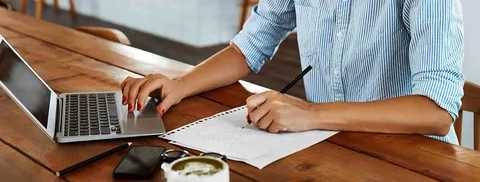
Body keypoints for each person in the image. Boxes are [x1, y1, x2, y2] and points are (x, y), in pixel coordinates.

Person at [121, 0, 464, 144]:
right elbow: (249, 46)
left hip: (414, 158)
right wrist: (179, 85)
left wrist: (311, 113)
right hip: (331, 147)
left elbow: (436, 111)